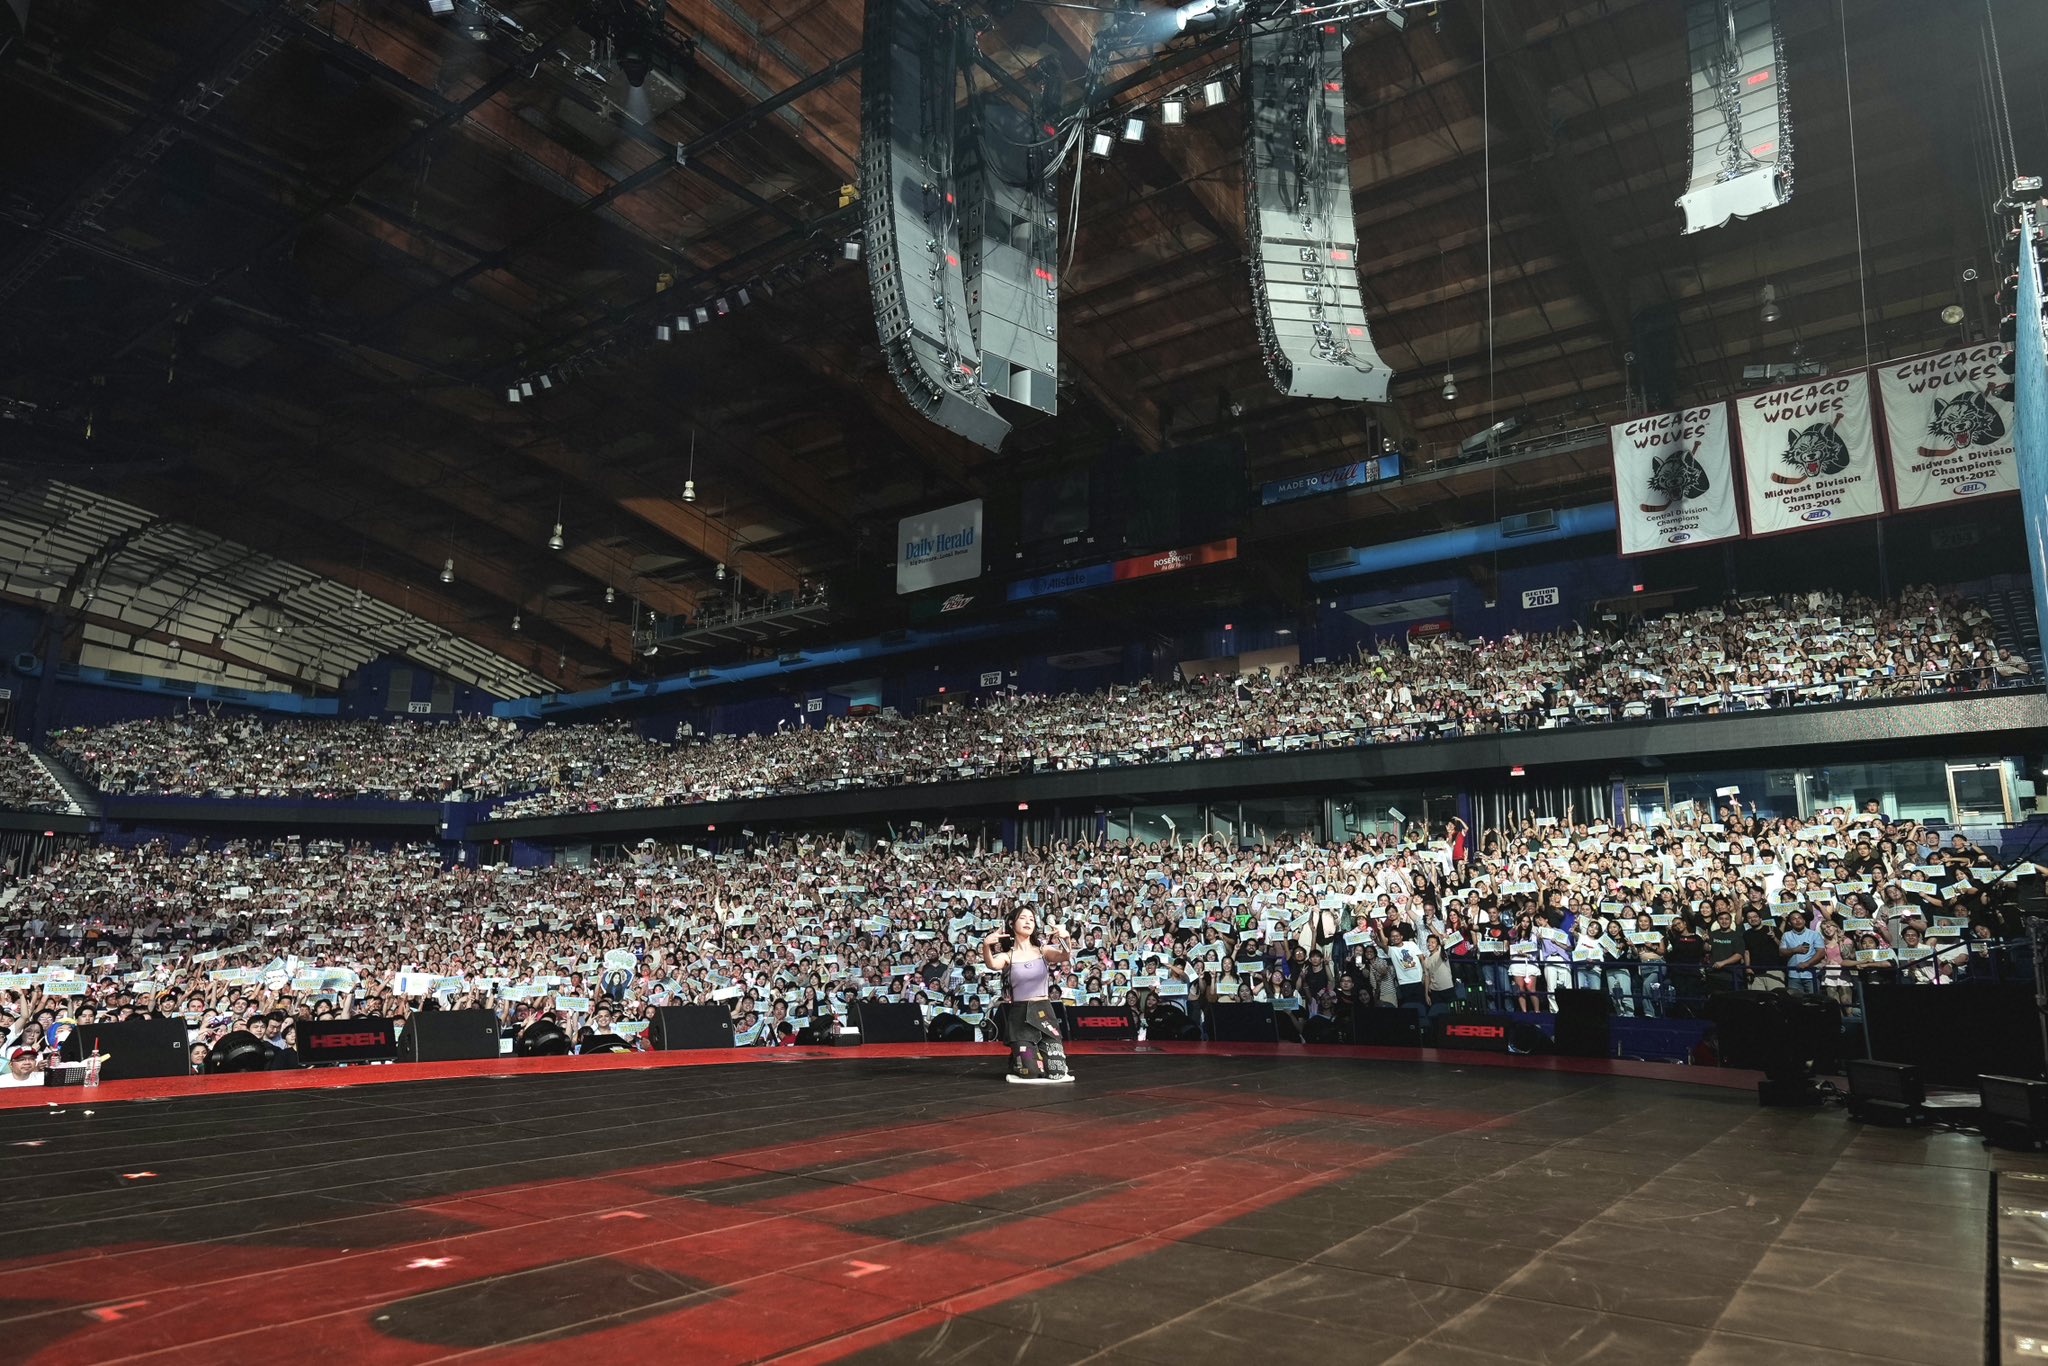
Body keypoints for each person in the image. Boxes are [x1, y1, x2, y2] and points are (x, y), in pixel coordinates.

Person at [983, 907, 1074, 1085]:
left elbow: (1065, 955)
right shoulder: (1008, 955)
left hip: (1044, 1012)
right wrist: (986, 945)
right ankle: (1018, 1056)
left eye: (1031, 919)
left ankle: (1027, 1054)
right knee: (1030, 1071)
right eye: (1023, 918)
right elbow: (992, 964)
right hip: (1020, 1016)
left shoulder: (1042, 950)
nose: (1027, 922)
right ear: (1012, 923)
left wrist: (1066, 938)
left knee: (1056, 1071)